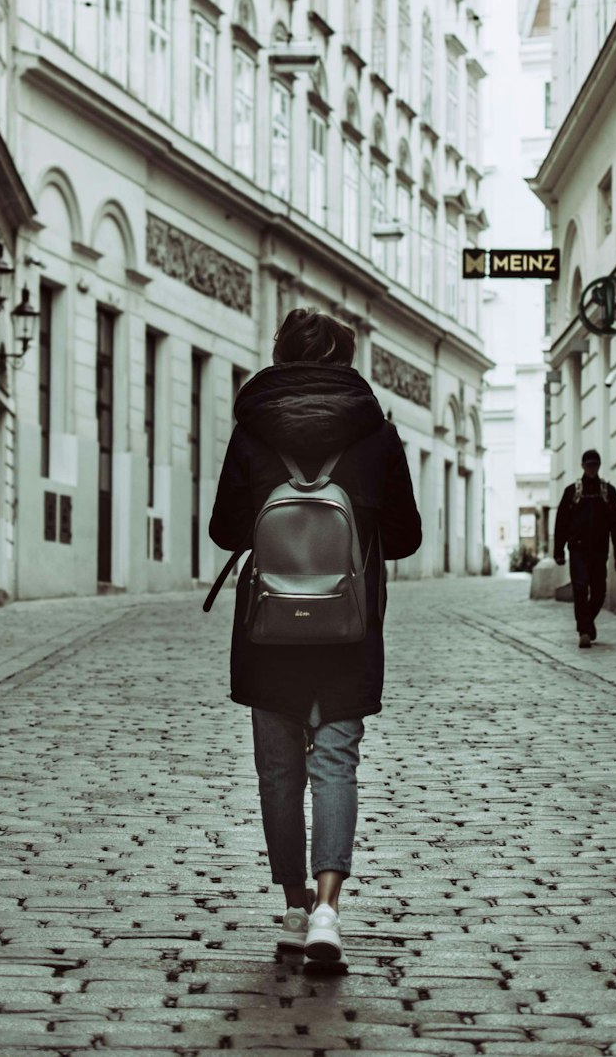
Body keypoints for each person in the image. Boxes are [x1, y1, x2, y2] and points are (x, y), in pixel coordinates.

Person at [208, 308, 422, 969]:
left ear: (281, 355)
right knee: (336, 762)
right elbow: (409, 537)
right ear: (345, 358)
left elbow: (223, 530)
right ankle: (329, 911)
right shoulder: (376, 432)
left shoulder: (251, 429)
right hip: (348, 624)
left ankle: (295, 901)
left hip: (269, 627)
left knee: (279, 770)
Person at [553, 448, 616, 648]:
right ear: (583, 466)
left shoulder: (607, 492)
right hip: (577, 549)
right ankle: (584, 630)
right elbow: (561, 523)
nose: (592, 468)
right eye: (589, 465)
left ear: (599, 466)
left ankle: (587, 622)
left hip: (599, 550)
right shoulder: (572, 491)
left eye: (595, 465)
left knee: (599, 591)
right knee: (579, 588)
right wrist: (558, 551)